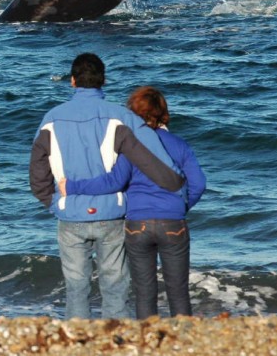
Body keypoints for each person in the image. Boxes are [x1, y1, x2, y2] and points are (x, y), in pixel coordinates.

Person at [29, 53, 186, 319]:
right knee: (115, 285)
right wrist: (175, 184)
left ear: (73, 81)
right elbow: (153, 157)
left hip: (70, 214)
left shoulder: (51, 118)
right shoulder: (120, 116)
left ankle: (78, 338)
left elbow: (37, 169)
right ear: (103, 80)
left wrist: (53, 202)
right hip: (111, 214)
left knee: (76, 287)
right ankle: (115, 337)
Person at [58, 86, 206, 318]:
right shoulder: (180, 145)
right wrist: (180, 207)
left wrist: (73, 187)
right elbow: (198, 184)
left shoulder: (131, 146)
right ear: (163, 112)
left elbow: (113, 181)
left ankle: (147, 337)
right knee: (178, 291)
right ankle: (184, 337)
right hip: (173, 222)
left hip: (138, 223)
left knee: (144, 292)